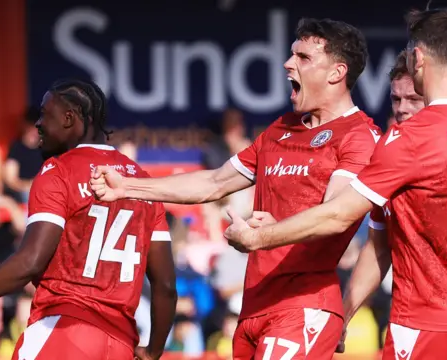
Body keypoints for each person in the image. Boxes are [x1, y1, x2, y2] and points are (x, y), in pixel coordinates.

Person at [223, 8, 447, 359]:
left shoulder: (406, 144)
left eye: (412, 99)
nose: (402, 109)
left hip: (426, 319)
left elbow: (338, 215)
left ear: (420, 61)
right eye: (395, 99)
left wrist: (259, 237)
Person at [90, 18, 378, 359]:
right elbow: (214, 182)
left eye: (302, 57)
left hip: (304, 306)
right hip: (254, 306)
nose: (288, 63)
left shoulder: (360, 136)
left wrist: (261, 237)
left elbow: (334, 217)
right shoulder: (280, 129)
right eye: (291, 54)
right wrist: (127, 186)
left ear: (336, 73)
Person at [0, 79, 177, 360]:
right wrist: (154, 350)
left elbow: (30, 262)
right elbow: (165, 285)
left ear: (69, 118)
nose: (38, 124)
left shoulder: (58, 171)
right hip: (120, 344)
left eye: (45, 114)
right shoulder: (141, 180)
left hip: (62, 332)